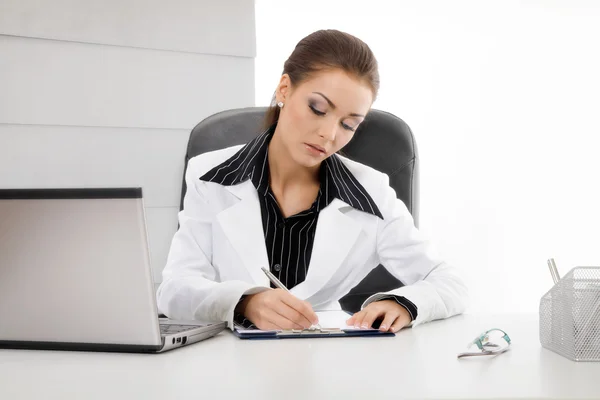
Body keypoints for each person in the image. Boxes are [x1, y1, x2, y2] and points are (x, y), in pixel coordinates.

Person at [156, 29, 468, 333]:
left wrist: (405, 303)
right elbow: (175, 289)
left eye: (349, 125)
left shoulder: (370, 192)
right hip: (230, 360)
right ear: (284, 89)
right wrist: (243, 302)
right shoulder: (210, 173)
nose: (329, 135)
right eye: (317, 108)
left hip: (324, 356)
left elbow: (448, 281)